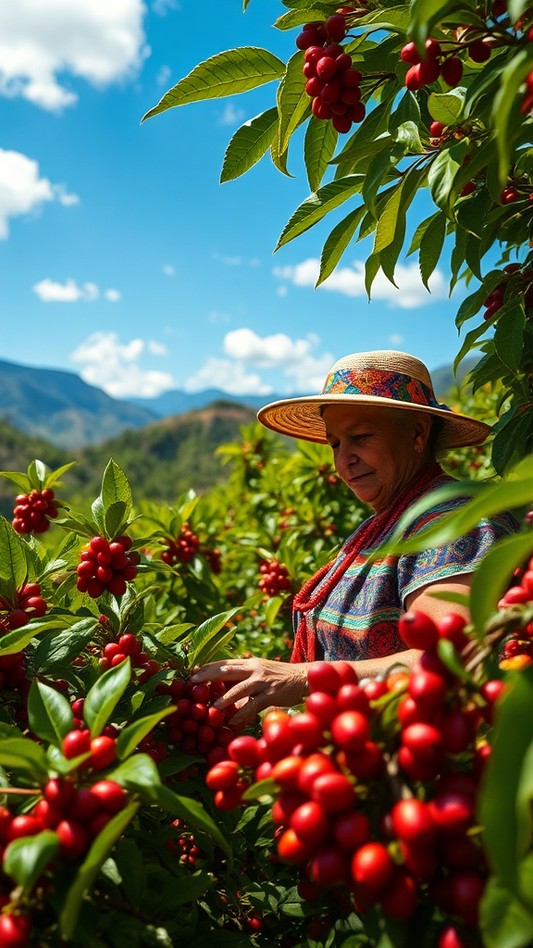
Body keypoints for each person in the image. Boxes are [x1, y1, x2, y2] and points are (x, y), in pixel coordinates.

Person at [191, 350, 517, 722]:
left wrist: (301, 678)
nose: (343, 459)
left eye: (360, 437)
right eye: (335, 444)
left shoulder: (457, 521)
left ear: (417, 434)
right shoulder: (381, 526)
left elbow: (456, 657)